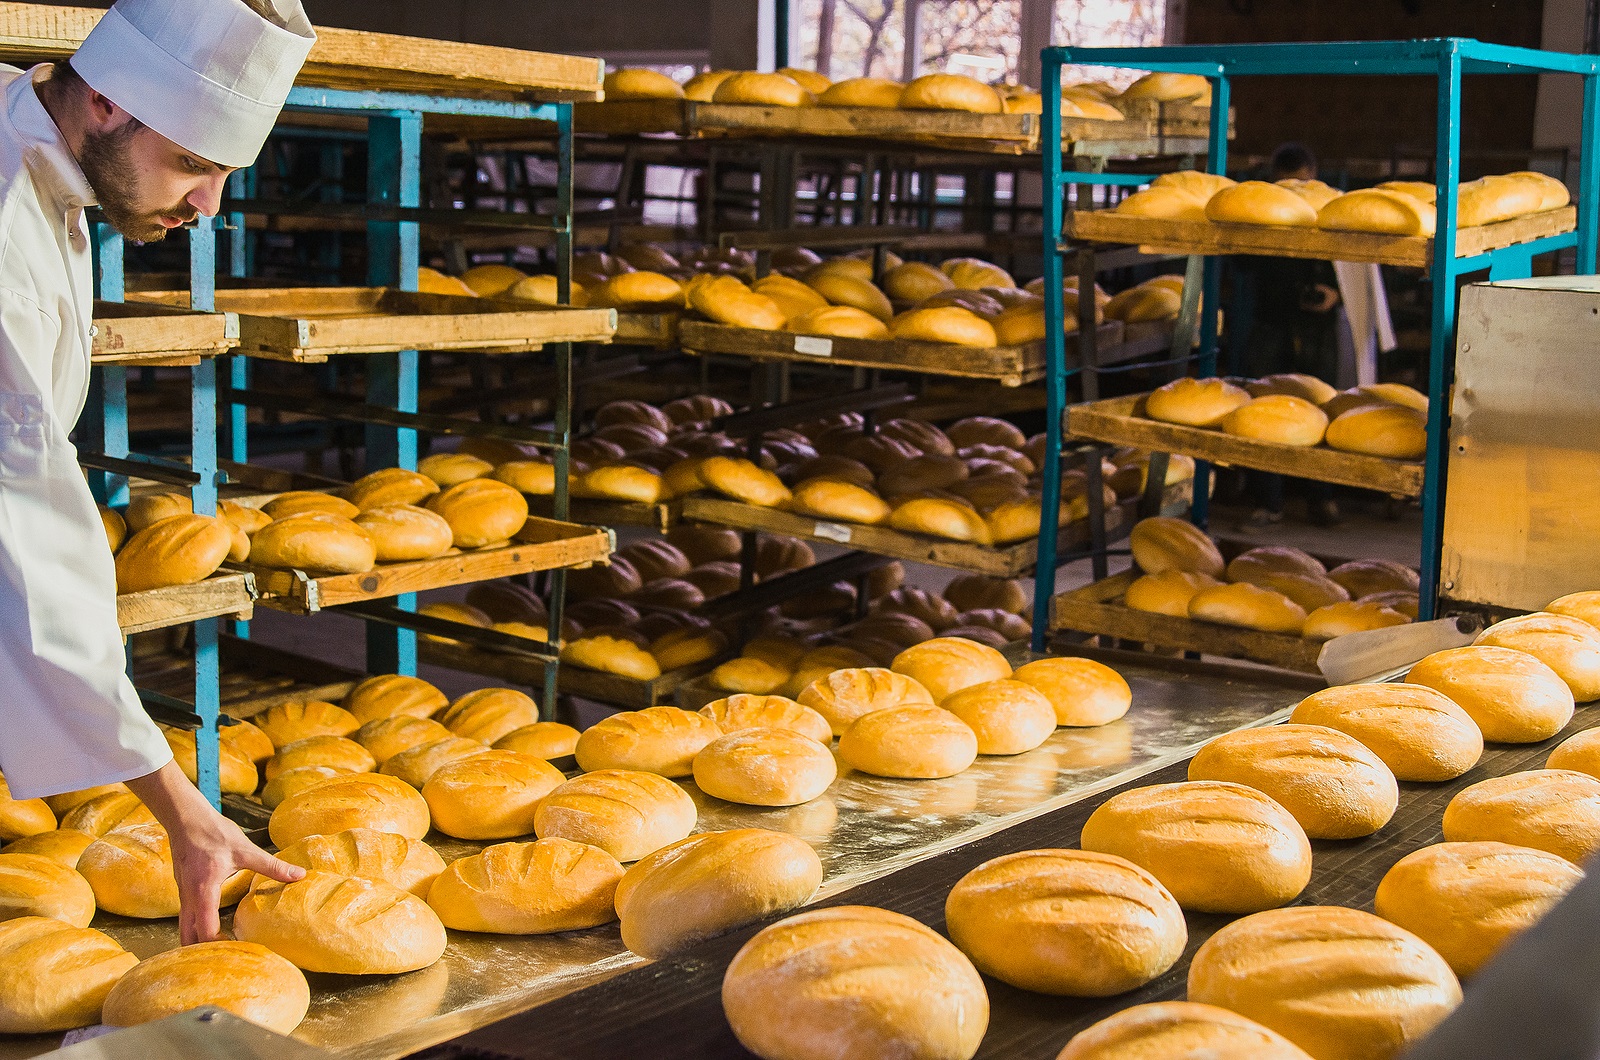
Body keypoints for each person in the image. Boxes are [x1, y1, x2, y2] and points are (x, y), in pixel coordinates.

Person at [0, 0, 314, 944]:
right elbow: (30, 541)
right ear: (102, 103)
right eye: (193, 164)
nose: (207, 206)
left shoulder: (35, 144)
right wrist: (183, 811)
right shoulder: (5, 239)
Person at [1225, 142, 1343, 526]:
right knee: (1263, 410)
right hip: (1271, 322)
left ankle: (1320, 496)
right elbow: (1239, 259)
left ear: (1314, 177)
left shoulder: (1329, 209)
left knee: (1320, 407)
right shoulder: (1262, 208)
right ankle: (1269, 499)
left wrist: (1335, 295)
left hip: (1315, 328)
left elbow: (1363, 269)